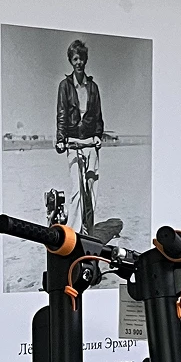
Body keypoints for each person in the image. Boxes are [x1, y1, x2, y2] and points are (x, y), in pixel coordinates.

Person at [54, 39, 106, 231]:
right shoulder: (64, 86)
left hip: (91, 143)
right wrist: (61, 139)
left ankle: (88, 231)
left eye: (81, 59)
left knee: (91, 189)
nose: (79, 62)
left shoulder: (93, 87)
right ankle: (74, 231)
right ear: (71, 61)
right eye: (75, 59)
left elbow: (98, 114)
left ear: (85, 60)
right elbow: (61, 113)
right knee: (77, 188)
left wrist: (98, 134)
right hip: (73, 143)